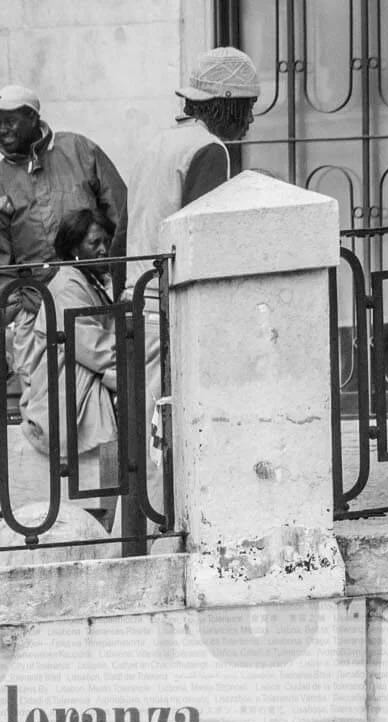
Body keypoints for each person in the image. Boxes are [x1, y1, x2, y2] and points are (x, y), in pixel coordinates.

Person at [0, 85, 127, 448]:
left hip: (92, 299)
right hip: (38, 313)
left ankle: (104, 498)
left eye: (11, 120)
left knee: (106, 411)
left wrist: (118, 285)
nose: (2, 130)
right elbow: (0, 267)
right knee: (48, 415)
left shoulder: (79, 150)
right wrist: (22, 304)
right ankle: (56, 499)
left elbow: (121, 218)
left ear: (33, 117)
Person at [126, 48, 260, 445]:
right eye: (247, 107)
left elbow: (125, 230)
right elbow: (205, 243)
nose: (251, 120)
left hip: (136, 302)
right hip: (168, 310)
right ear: (227, 106)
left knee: (142, 432)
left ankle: (140, 510)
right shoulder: (208, 150)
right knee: (165, 438)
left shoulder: (156, 145)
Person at [18, 209, 121, 488]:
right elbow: (95, 350)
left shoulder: (91, 280)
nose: (103, 250)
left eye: (106, 242)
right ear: (75, 248)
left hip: (85, 372)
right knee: (128, 401)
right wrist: (134, 362)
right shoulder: (66, 285)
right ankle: (115, 501)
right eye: (94, 243)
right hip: (63, 387)